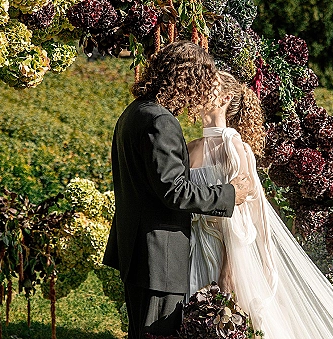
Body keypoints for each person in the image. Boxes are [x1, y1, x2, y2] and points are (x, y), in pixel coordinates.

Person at [187, 71, 333, 338]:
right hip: (194, 247)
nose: (199, 90)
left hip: (223, 252)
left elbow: (242, 219)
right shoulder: (190, 146)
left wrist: (229, 271)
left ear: (226, 98)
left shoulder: (233, 147)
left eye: (209, 87)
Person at [102, 42, 250, 339]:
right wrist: (229, 193)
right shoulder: (161, 121)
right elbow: (175, 191)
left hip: (140, 251)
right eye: (199, 84)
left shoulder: (134, 113)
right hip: (159, 256)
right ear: (187, 81)